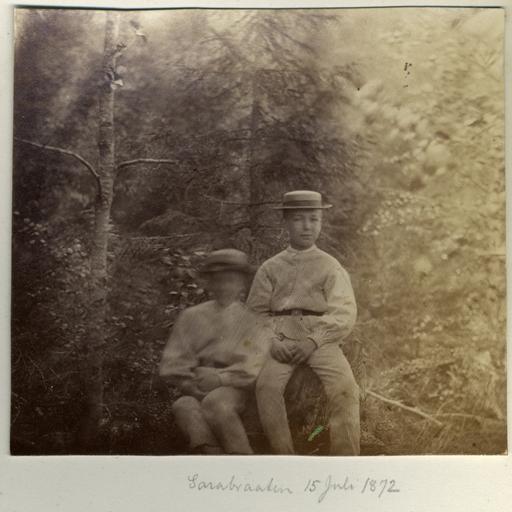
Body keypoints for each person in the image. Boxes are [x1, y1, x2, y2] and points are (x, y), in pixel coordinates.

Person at [247, 190, 360, 455]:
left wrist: (314, 341)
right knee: (266, 387)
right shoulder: (270, 267)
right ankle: (285, 457)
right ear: (286, 222)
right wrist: (271, 342)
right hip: (281, 337)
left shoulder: (330, 266)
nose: (307, 226)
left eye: (313, 219)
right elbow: (254, 313)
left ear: (321, 222)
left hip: (320, 337)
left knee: (345, 387)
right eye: (298, 219)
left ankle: (346, 460)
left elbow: (344, 311)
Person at [159, 249, 270, 455]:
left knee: (217, 403)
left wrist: (220, 378)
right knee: (184, 406)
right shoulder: (191, 316)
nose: (224, 286)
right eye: (217, 280)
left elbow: (253, 364)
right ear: (209, 283)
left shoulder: (253, 320)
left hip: (235, 389)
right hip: (196, 383)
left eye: (231, 280)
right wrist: (189, 384)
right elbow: (174, 362)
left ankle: (243, 458)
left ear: (242, 283)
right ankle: (213, 457)